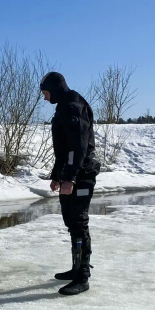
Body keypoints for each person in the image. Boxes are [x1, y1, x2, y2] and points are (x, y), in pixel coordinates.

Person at [40, 71, 100, 296]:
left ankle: (83, 276)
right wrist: (57, 175)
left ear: (54, 89)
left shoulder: (74, 107)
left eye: (46, 93)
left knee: (78, 222)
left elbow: (78, 147)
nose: (44, 98)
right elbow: (63, 150)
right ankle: (76, 268)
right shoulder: (64, 106)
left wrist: (71, 178)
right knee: (71, 221)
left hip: (82, 174)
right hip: (72, 174)